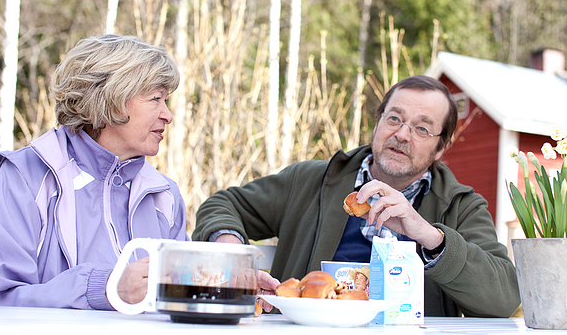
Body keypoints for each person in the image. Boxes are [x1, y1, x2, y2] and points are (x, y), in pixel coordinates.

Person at [0, 34, 278, 309]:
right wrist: (105, 288)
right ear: (111, 99)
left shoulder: (163, 195)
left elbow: (174, 294)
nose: (168, 115)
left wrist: (231, 288)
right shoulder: (26, 176)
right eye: (156, 99)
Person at [192, 75, 520, 317]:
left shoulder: (461, 206)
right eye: (394, 118)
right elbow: (223, 204)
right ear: (377, 123)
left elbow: (503, 298)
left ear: (441, 147)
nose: (402, 134)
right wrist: (230, 250)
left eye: (422, 129)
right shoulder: (311, 180)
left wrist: (429, 236)